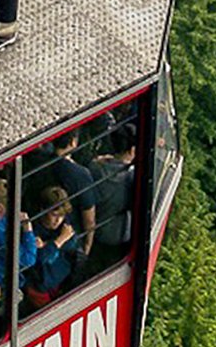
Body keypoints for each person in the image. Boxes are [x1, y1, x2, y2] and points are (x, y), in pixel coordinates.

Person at [34, 129, 98, 255]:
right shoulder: (80, 175)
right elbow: (89, 218)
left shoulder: (38, 161)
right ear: (73, 142)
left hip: (39, 229)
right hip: (68, 236)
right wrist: (87, 246)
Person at [24, 189, 85, 307]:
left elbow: (72, 242)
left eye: (61, 216)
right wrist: (60, 239)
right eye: (54, 215)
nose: (58, 220)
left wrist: (48, 245)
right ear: (43, 210)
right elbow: (40, 258)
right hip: (40, 286)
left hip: (62, 279)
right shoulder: (31, 229)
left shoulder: (64, 223)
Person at [88, 124, 139, 259]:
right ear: (132, 150)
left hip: (94, 231)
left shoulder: (95, 167)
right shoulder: (132, 178)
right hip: (119, 236)